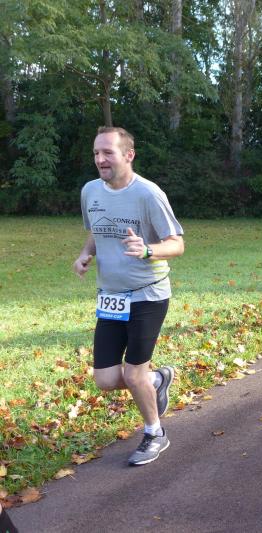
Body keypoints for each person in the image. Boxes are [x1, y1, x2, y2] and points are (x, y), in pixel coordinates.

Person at [73, 126, 183, 466]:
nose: (100, 159)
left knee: (133, 373)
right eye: (96, 153)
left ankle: (155, 433)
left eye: (108, 152)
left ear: (129, 155)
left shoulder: (148, 194)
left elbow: (177, 244)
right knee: (105, 379)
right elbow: (97, 228)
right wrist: (85, 254)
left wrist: (148, 249)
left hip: (148, 294)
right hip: (111, 297)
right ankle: (157, 380)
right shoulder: (90, 191)